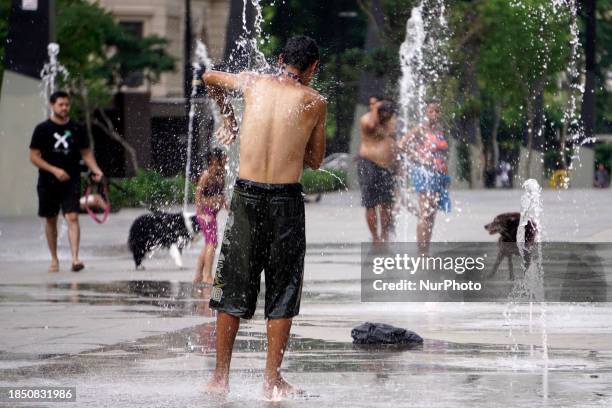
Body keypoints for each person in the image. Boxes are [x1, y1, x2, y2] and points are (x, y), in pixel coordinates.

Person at [202, 36, 326, 398]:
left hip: (246, 194)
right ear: (313, 68)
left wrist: (228, 116)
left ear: (281, 59)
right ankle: (272, 380)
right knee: (283, 286)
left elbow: (210, 77)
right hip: (285, 201)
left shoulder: (252, 82)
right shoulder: (315, 101)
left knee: (233, 283)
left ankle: (219, 378)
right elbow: (316, 160)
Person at [29, 91, 104, 272]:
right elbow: (33, 156)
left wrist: (96, 170)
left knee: (72, 216)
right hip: (47, 181)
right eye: (61, 104)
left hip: (71, 180)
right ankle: (54, 259)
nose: (64, 108)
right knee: (51, 220)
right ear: (52, 105)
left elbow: (86, 153)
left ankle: (75, 259)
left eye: (67, 105)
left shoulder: (77, 128)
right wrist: (54, 170)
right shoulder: (42, 129)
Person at [398, 102, 450, 253]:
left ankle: (425, 250)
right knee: (425, 213)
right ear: (426, 113)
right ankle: (421, 252)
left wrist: (445, 176)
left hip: (439, 174)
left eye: (437, 111)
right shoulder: (420, 129)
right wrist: (419, 158)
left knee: (432, 214)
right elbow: (401, 145)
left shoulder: (439, 130)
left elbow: (441, 153)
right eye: (431, 111)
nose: (435, 114)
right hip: (424, 173)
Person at [357, 96, 397, 242]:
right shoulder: (367, 119)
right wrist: (375, 107)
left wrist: (398, 166)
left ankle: (385, 235)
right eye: (384, 114)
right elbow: (372, 126)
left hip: (386, 167)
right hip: (369, 164)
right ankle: (375, 238)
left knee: (387, 203)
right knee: (371, 204)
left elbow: (394, 141)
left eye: (390, 114)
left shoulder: (391, 121)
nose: (387, 117)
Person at [193, 148, 227, 286]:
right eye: (222, 159)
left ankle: (198, 275)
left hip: (213, 213)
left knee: (210, 243)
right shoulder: (206, 175)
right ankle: (207, 275)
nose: (225, 161)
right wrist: (202, 214)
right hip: (205, 214)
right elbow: (198, 194)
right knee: (212, 243)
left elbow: (221, 195)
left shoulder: (221, 175)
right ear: (213, 162)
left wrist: (227, 206)